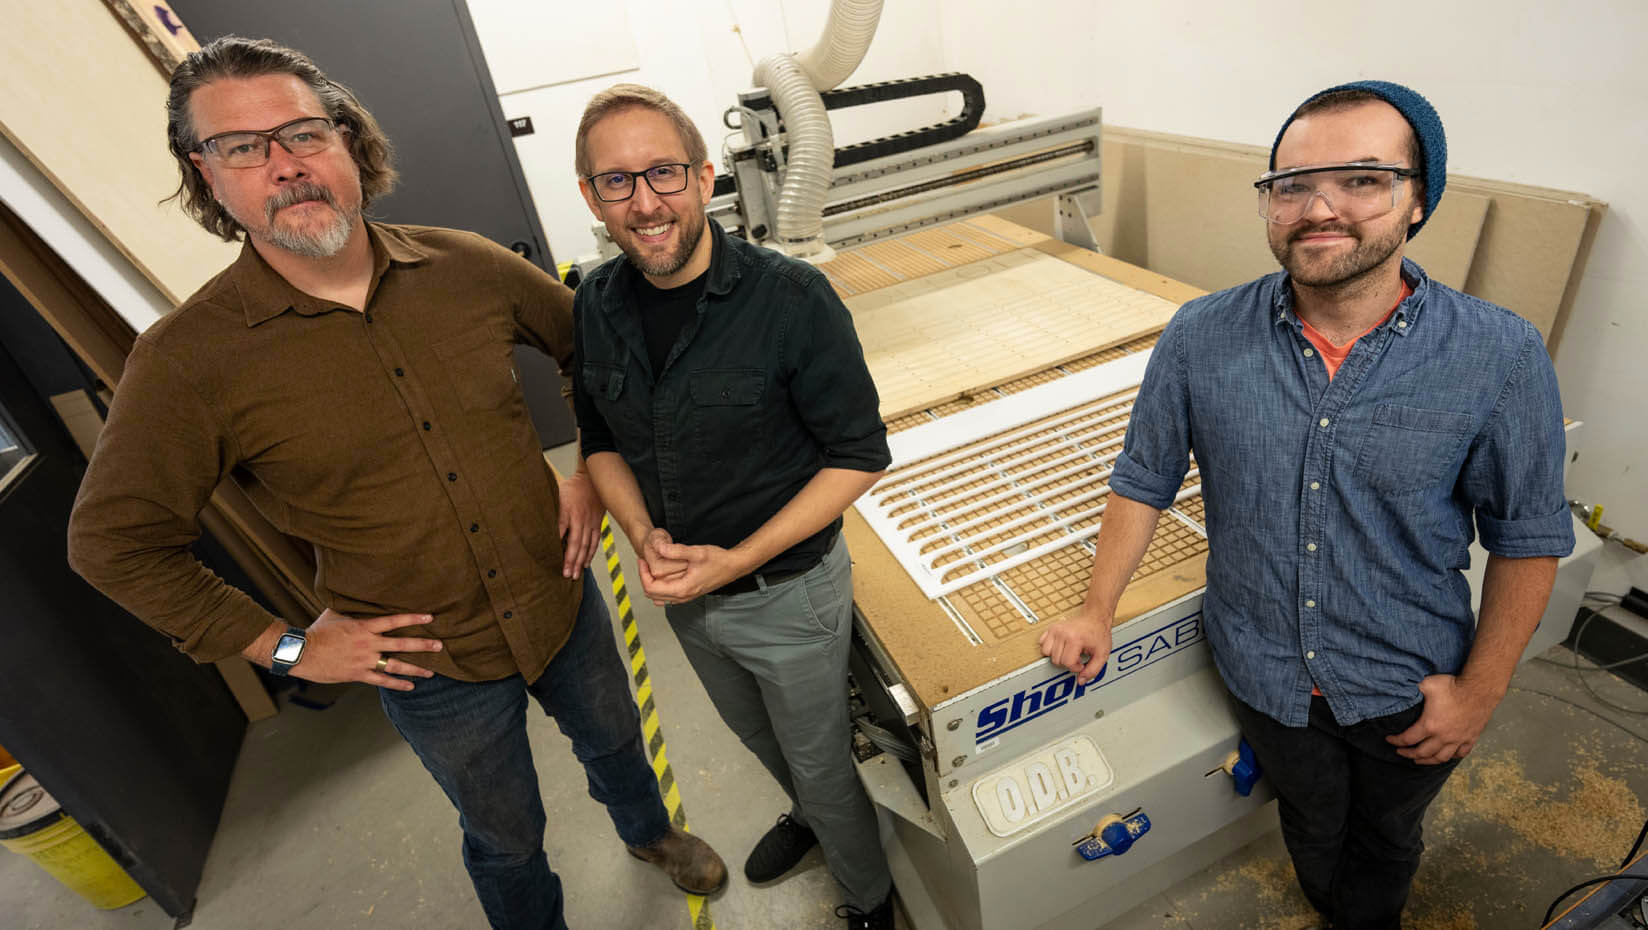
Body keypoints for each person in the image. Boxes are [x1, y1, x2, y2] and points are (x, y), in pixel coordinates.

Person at [66, 36, 724, 930]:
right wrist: (288, 648)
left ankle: (649, 834)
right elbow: (112, 543)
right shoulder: (187, 362)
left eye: (302, 133)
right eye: (242, 147)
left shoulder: (467, 266)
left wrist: (587, 481)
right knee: (504, 834)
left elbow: (592, 355)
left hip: (557, 594)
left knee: (616, 744)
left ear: (347, 141)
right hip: (426, 663)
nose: (285, 165)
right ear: (206, 176)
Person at [1038, 81, 1573, 930]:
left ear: (1418, 199)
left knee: (1389, 833)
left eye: (1363, 179)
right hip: (1264, 673)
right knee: (1311, 818)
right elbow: (1143, 478)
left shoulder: (1498, 353)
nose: (1319, 208)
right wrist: (1096, 609)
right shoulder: (1201, 335)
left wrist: (1479, 693)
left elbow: (1528, 539)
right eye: (1291, 185)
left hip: (1408, 679)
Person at [569, 84, 896, 929]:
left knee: (822, 761)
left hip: (786, 593)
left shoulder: (791, 300)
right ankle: (812, 820)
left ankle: (870, 899)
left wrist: (737, 560)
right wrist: (643, 537)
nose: (645, 202)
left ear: (705, 176)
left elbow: (859, 455)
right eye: (616, 181)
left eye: (664, 173)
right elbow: (599, 437)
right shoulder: (595, 304)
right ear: (589, 195)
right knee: (762, 744)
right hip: (687, 602)